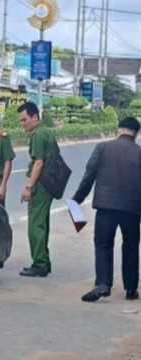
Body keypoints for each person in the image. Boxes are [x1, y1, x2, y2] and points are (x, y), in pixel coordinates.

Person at [72, 117, 141, 302]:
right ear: (136, 133)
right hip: (132, 209)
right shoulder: (139, 152)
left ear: (119, 129)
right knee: (131, 247)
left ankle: (103, 284)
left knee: (103, 244)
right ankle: (131, 289)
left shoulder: (102, 148)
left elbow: (89, 176)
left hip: (106, 207)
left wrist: (77, 199)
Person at [18, 101, 59, 278]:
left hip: (41, 184)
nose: (22, 124)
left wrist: (29, 187)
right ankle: (44, 261)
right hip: (50, 183)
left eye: (24, 119)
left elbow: (39, 163)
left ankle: (39, 264)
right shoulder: (46, 132)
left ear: (35, 117)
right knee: (42, 223)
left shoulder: (38, 135)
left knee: (35, 224)